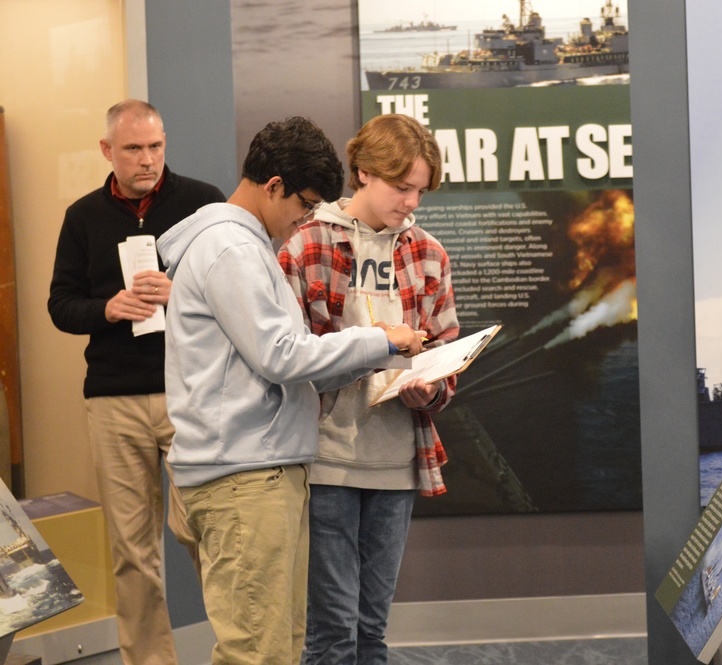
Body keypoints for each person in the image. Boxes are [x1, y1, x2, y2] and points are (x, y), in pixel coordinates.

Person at [156, 115, 426, 665]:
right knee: (259, 650)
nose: (305, 219)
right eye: (303, 204)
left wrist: (371, 357)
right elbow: (281, 355)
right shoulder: (231, 248)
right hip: (243, 476)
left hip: (256, 470)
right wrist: (379, 339)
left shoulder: (243, 245)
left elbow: (288, 361)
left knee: (279, 643)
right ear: (274, 184)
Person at [48, 99, 225, 665]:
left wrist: (186, 296)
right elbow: (61, 306)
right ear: (108, 151)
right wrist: (109, 309)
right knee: (132, 552)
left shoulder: (203, 203)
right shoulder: (82, 217)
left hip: (189, 392)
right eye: (133, 148)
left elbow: (238, 295)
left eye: (155, 146)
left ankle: (241, 653)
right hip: (114, 399)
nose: (147, 159)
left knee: (208, 536)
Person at [279, 113, 459, 665]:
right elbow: (285, 359)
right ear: (364, 172)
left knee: (372, 632)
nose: (411, 202)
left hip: (398, 462)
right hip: (326, 459)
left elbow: (447, 353)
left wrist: (428, 389)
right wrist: (374, 347)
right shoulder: (305, 244)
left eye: (420, 191)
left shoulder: (429, 254)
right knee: (332, 634)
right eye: (401, 187)